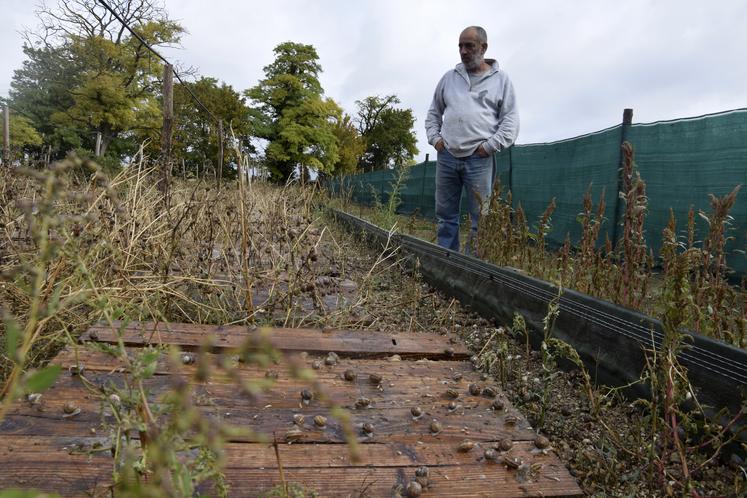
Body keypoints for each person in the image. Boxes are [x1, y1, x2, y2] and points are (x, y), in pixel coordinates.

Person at [425, 25, 519, 253]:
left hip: (479, 160)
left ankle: (471, 267)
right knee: (445, 215)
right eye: (460, 46)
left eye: (469, 46)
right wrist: (436, 140)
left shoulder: (501, 80)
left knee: (481, 219)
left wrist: (488, 147)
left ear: (483, 48)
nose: (463, 51)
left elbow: (510, 120)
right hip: (447, 156)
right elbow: (433, 114)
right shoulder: (449, 78)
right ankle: (447, 261)